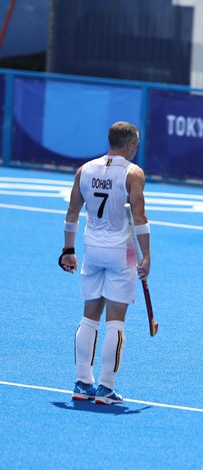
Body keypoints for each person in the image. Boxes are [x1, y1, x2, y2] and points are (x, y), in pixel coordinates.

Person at [58, 121, 150, 405]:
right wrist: (146, 256)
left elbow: (72, 211)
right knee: (115, 321)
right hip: (123, 252)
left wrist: (68, 249)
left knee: (89, 317)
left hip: (92, 250)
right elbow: (139, 217)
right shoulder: (133, 172)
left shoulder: (84, 169)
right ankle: (106, 387)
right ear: (130, 144)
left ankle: (82, 381)